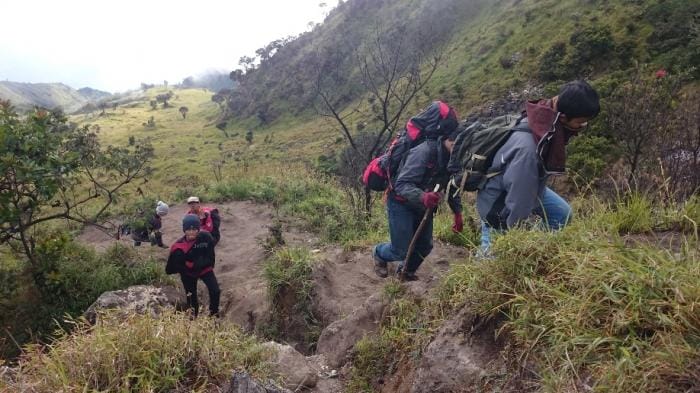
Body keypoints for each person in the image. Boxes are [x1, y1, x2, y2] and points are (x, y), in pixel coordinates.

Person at [477, 80, 600, 253]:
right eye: (581, 122)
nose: (583, 126)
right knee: (495, 251)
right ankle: (489, 255)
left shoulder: (546, 116)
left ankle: (539, 251)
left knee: (561, 214)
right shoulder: (530, 150)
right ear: (564, 117)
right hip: (500, 200)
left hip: (525, 186)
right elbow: (519, 198)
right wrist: (516, 239)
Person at [373, 128, 464, 282]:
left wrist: (457, 212)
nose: (457, 149)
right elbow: (401, 184)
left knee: (425, 246)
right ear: (447, 140)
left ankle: (405, 271)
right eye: (455, 144)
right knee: (400, 250)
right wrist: (423, 196)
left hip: (423, 207)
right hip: (400, 202)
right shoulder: (424, 152)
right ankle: (378, 253)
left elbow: (451, 185)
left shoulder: (452, 158)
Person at [166, 214, 221, 318]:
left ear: (198, 229)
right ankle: (193, 318)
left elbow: (211, 255)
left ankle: (214, 314)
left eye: (194, 229)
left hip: (205, 269)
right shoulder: (178, 247)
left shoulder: (206, 237)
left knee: (215, 291)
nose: (191, 232)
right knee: (191, 297)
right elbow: (172, 268)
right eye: (188, 229)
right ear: (184, 230)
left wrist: (202, 263)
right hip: (188, 273)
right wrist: (188, 265)